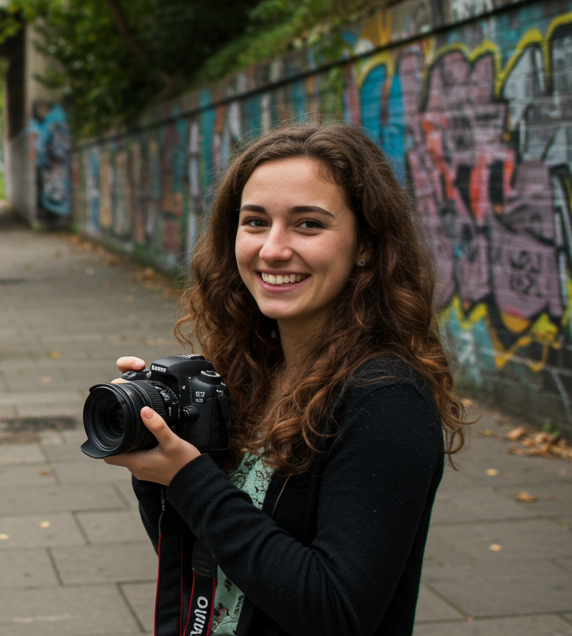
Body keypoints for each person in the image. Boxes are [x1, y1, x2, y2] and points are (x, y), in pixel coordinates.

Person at [103, 125, 469, 636]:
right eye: (255, 222)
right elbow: (210, 561)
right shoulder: (250, 369)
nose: (273, 250)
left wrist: (191, 480)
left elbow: (336, 611)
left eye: (308, 225)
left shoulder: (385, 401)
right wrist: (154, 463)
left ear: (365, 245)